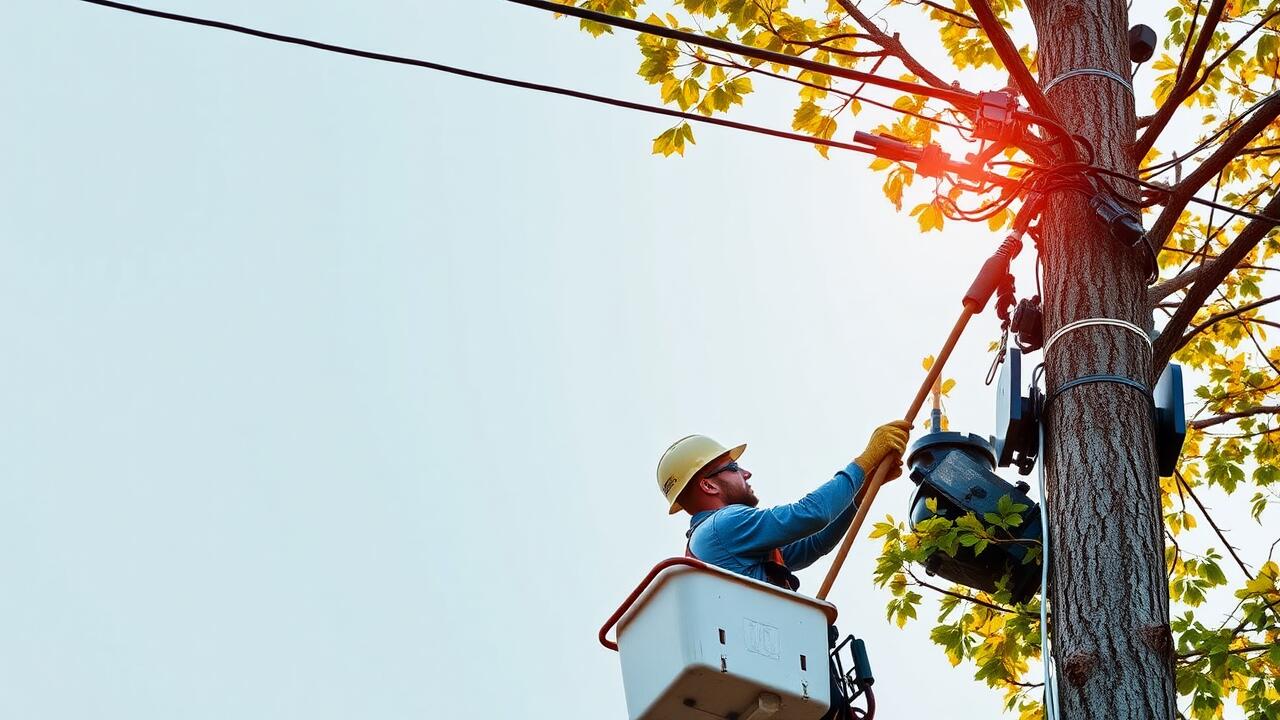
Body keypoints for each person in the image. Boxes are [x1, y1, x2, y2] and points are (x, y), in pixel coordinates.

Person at [655, 422, 911, 590]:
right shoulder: (723, 526)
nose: (746, 473)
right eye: (733, 468)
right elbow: (812, 513)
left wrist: (861, 488)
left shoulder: (722, 543)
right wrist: (863, 463)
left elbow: (814, 544)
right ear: (708, 486)